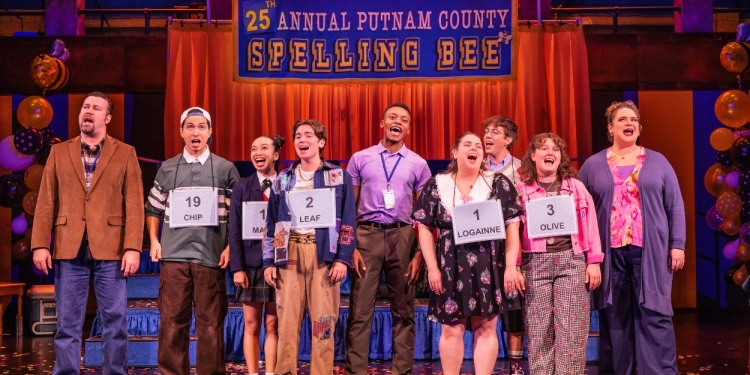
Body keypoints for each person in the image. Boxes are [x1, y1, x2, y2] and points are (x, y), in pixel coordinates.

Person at [31, 92, 144, 375]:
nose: (88, 111)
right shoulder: (60, 152)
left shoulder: (125, 152)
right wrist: (40, 245)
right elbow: (45, 201)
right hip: (69, 247)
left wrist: (133, 246)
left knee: (115, 321)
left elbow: (134, 203)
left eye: (95, 108)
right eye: (85, 107)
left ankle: (114, 372)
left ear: (106, 118)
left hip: (112, 247)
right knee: (67, 322)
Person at [579, 101, 685, 375]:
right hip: (610, 253)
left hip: (650, 250)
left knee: (655, 313)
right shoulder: (592, 165)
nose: (630, 123)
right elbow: (581, 212)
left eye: (634, 120)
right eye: (623, 119)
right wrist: (587, 254)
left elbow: (674, 205)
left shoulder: (658, 161)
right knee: (614, 316)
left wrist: (677, 245)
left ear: (639, 128)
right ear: (611, 127)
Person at [412, 132, 522, 375]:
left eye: (479, 146)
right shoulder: (437, 184)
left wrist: (511, 266)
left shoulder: (498, 183)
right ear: (455, 152)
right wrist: (432, 267)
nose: (475, 149)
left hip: (489, 264)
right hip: (449, 265)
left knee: (486, 328)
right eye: (468, 145)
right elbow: (424, 228)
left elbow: (512, 226)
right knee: (451, 329)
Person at [145, 106, 241, 375]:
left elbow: (238, 213)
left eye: (201, 126)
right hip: (174, 258)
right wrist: (154, 241)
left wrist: (231, 246)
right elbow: (153, 208)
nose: (195, 132)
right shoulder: (167, 168)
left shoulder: (225, 169)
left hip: (210, 258)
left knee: (211, 323)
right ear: (181, 132)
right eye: (190, 126)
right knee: (172, 322)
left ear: (210, 132)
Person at [262, 119, 356, 375]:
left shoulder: (338, 176)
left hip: (324, 255)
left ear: (321, 142)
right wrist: (269, 261)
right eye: (298, 136)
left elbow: (348, 221)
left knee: (323, 325)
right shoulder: (283, 179)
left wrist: (342, 258)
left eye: (308, 135)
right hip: (289, 254)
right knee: (287, 326)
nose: (302, 140)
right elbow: (271, 225)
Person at [344, 102, 431, 375]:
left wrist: (419, 254)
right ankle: (355, 371)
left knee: (404, 310)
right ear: (382, 124)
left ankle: (401, 371)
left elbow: (425, 213)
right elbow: (348, 207)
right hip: (366, 235)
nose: (398, 122)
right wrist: (350, 247)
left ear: (407, 128)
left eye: (404, 119)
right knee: (359, 310)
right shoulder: (361, 158)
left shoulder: (419, 164)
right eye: (392, 117)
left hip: (403, 235)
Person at [516, 133, 603, 374]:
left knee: (571, 330)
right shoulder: (521, 191)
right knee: (538, 330)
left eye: (556, 149)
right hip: (535, 264)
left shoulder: (575, 187)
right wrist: (514, 267)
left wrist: (593, 261)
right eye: (543, 148)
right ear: (533, 155)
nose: (550, 153)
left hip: (571, 262)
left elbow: (591, 225)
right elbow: (513, 232)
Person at [229, 135, 285, 375]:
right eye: (253, 148)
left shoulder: (287, 183)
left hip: (279, 264)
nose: (257, 152)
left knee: (273, 324)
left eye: (264, 148)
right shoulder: (242, 187)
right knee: (251, 324)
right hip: (250, 265)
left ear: (276, 155)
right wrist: (237, 268)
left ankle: (271, 372)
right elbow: (234, 230)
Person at [481, 115, 524, 373]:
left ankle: (516, 367)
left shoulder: (522, 170)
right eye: (486, 131)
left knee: (514, 309)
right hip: (482, 249)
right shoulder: (476, 168)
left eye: (494, 132)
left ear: (508, 139)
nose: (487, 136)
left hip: (512, 245)